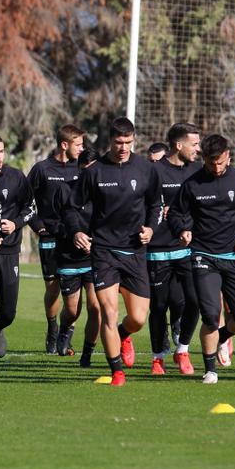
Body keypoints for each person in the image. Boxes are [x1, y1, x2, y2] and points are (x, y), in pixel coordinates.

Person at [66, 117, 162, 387]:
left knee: (139, 318)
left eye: (128, 143)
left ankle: (123, 334)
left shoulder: (146, 169)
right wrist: (78, 232)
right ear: (110, 141)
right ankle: (117, 371)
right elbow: (72, 207)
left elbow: (156, 205)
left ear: (134, 140)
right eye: (119, 143)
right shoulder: (94, 172)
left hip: (134, 252)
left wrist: (151, 229)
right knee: (108, 311)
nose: (123, 147)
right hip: (104, 251)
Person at [170, 134, 235, 384]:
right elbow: (175, 214)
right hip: (203, 257)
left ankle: (222, 336)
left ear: (228, 157)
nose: (217, 168)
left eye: (221, 162)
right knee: (211, 314)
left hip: (234, 257)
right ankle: (210, 368)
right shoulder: (192, 184)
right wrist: (182, 229)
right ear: (204, 160)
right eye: (212, 163)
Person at [147, 123, 201, 375]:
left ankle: (182, 350)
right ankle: (158, 356)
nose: (198, 149)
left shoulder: (198, 171)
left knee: (194, 301)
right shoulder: (154, 171)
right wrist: (161, 212)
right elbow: (143, 205)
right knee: (159, 307)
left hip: (189, 251)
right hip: (157, 250)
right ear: (179, 145)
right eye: (194, 144)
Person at [28, 125, 84, 353]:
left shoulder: (83, 169)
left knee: (75, 296)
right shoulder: (42, 169)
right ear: (64, 144)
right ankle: (52, 331)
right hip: (50, 238)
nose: (82, 149)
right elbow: (22, 200)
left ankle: (65, 335)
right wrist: (37, 225)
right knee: (53, 289)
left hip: (74, 239)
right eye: (78, 144)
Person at [0, 134, 36, 358]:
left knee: (9, 313)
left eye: (1, 151)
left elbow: (31, 208)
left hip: (10, 252)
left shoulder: (16, 177)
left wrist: (15, 224)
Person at [48, 147, 100, 362]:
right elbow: (52, 223)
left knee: (96, 307)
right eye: (85, 170)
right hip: (69, 257)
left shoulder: (105, 193)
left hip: (96, 257)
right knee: (72, 311)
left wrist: (95, 241)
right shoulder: (64, 190)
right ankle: (65, 330)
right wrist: (73, 235)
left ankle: (87, 353)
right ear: (79, 169)